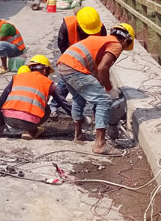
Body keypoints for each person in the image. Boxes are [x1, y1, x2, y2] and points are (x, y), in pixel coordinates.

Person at [56, 22, 135, 154]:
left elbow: (98, 71)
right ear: (126, 40)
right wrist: (110, 90)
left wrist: (101, 85)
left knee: (78, 98)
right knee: (104, 101)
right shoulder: (116, 44)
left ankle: (78, 135)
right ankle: (100, 145)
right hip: (74, 67)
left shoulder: (99, 40)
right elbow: (103, 68)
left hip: (63, 64)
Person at [0, 56, 71, 139]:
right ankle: (30, 131)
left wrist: (0, 124)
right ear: (45, 70)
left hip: (9, 119)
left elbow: (1, 100)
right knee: (46, 109)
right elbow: (63, 102)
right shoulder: (47, 82)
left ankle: (23, 128)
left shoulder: (17, 77)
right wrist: (78, 117)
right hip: (29, 122)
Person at [49, 7, 107, 114]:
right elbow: (62, 45)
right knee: (65, 81)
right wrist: (74, 62)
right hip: (72, 58)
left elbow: (102, 49)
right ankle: (54, 105)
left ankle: (97, 109)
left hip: (91, 59)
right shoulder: (67, 26)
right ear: (78, 23)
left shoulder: (100, 28)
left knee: (97, 83)